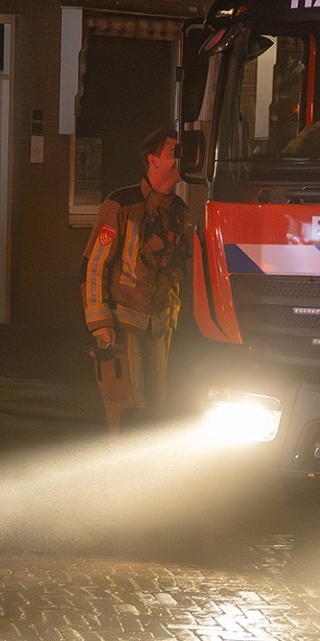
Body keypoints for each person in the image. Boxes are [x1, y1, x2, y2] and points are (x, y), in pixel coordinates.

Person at [81, 127, 191, 436]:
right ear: (153, 159)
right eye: (174, 153)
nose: (180, 160)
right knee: (124, 403)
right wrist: (100, 321)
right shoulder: (120, 205)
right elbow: (94, 266)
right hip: (124, 323)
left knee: (156, 403)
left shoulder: (178, 211)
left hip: (159, 323)